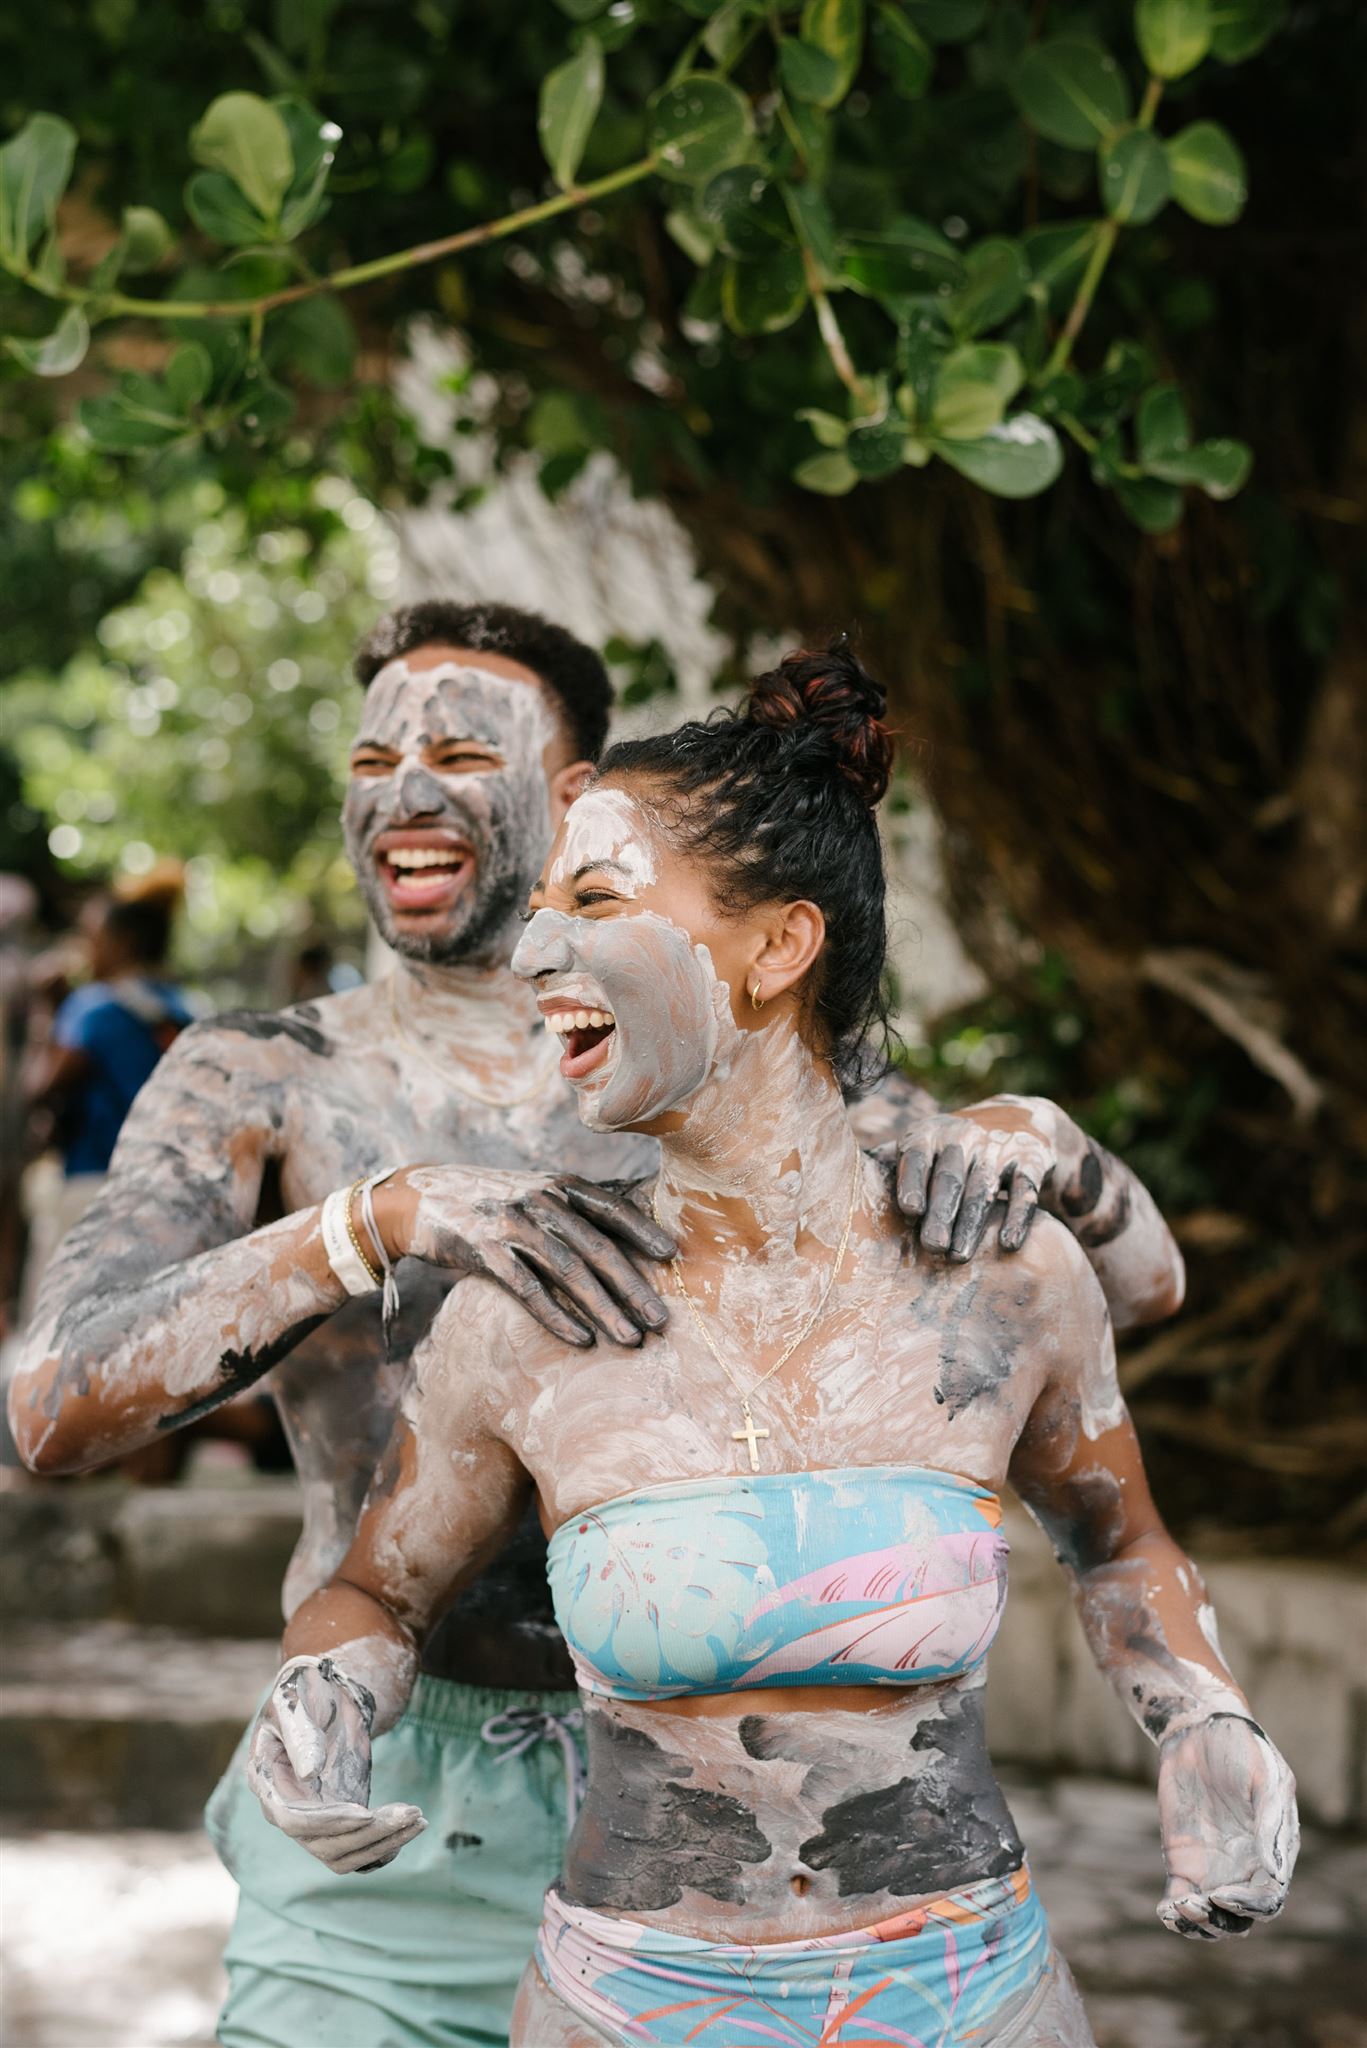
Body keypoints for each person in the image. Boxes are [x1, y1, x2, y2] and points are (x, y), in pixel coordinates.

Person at [9, 605, 1186, 2048]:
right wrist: (365, 1224)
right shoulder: (264, 1075)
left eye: (459, 754)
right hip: (401, 1788)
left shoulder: (725, 1051)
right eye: (372, 759)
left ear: (573, 795)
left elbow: (1126, 1297)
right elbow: (49, 1407)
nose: (405, 791)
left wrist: (1052, 1144)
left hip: (737, 1828)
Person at [18, 868, 191, 1315]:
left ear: (120, 943)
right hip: (163, 1190)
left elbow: (38, 1087)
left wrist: (45, 1012)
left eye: (89, 936)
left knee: (56, 1326)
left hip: (92, 1186)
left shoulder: (92, 1006)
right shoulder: (179, 1006)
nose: (82, 948)